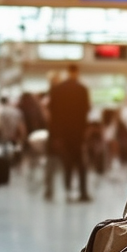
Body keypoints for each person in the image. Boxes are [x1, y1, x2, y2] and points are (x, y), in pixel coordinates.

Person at [45, 64, 91, 202]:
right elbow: (86, 111)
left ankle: (68, 190)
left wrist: (55, 135)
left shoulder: (57, 90)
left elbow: (53, 114)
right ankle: (83, 193)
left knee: (67, 163)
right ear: (77, 72)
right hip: (77, 133)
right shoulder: (82, 89)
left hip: (61, 134)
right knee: (81, 164)